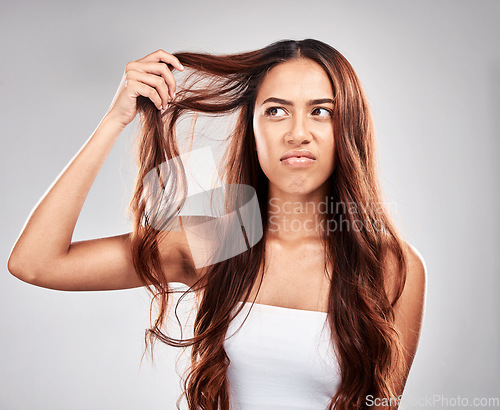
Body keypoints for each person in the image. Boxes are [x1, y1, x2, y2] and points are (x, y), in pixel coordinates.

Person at [7, 38, 426, 410]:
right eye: (276, 111)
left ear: (348, 128)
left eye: (321, 111)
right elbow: (36, 263)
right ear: (253, 129)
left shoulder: (391, 266)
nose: (299, 133)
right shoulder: (223, 240)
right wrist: (114, 120)